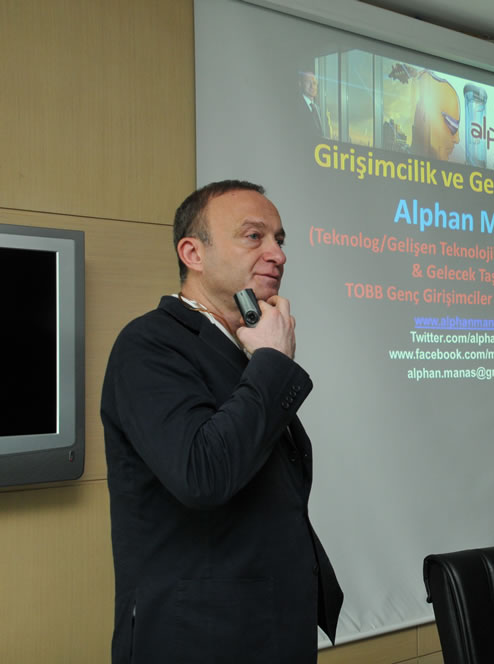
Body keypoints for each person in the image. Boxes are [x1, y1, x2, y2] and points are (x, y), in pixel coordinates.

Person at [101, 180, 343, 663]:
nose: (278, 254)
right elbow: (202, 474)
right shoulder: (149, 345)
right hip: (199, 638)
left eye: (279, 240)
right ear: (193, 253)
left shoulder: (244, 346)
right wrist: (273, 363)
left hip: (269, 627)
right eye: (254, 237)